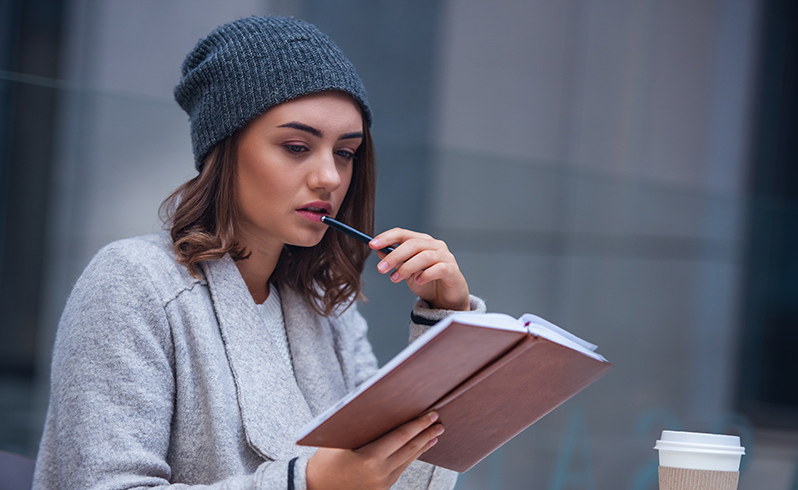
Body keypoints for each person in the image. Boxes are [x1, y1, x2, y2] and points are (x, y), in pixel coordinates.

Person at [33, 16, 485, 490]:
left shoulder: (327, 307)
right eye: (296, 146)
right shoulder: (131, 283)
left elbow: (405, 482)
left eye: (346, 153)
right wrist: (306, 485)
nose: (329, 177)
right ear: (224, 148)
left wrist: (445, 327)